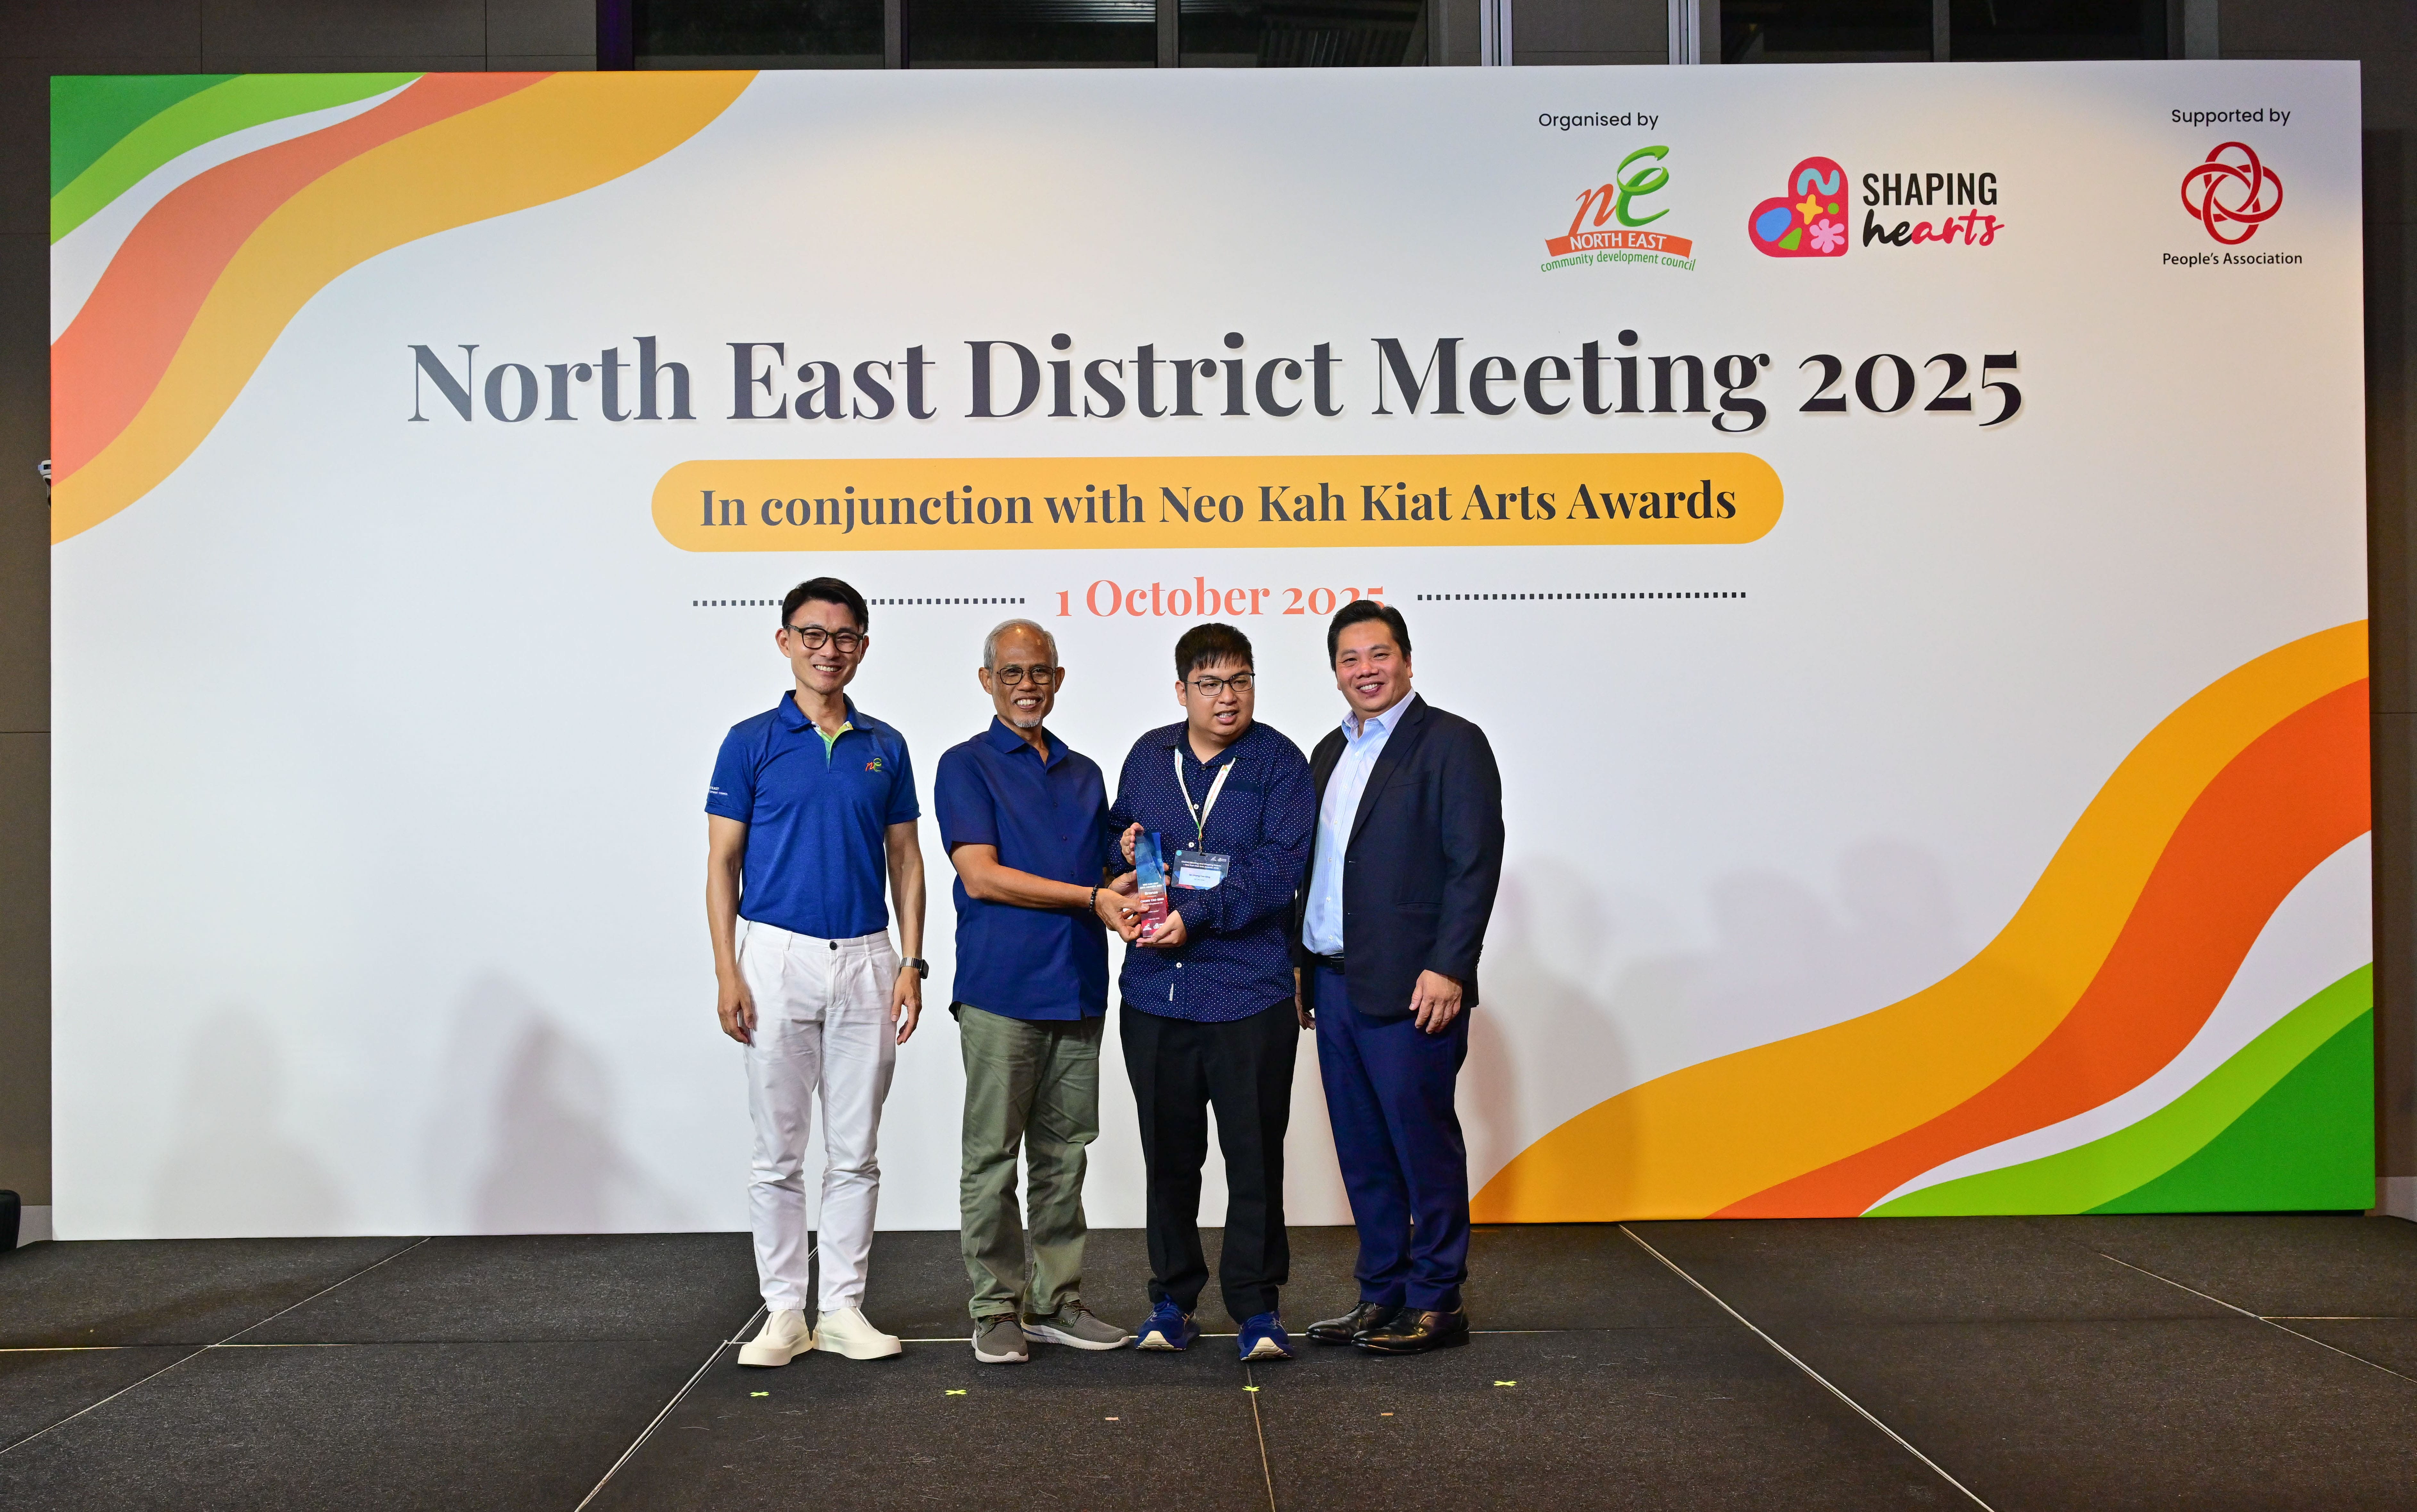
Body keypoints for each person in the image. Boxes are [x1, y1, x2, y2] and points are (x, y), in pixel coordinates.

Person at [706, 577, 927, 1368]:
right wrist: (729, 970)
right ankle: (782, 1311)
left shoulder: (885, 745)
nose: (828, 649)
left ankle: (841, 1309)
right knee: (777, 1150)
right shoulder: (751, 740)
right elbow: (721, 862)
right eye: (813, 634)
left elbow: (906, 859)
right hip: (775, 955)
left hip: (868, 956)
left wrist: (911, 961)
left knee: (855, 1148)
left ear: (862, 646)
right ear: (784, 640)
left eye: (844, 636)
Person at [1295, 599, 1503, 1355]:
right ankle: (1380, 1293)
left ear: (1407, 660)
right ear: (1335, 672)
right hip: (1333, 982)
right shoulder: (1326, 752)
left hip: (1416, 985)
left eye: (1378, 655)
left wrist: (1451, 964)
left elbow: (1473, 863)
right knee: (1362, 1147)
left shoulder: (1451, 743)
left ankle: (1438, 1299)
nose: (1365, 670)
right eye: (1350, 660)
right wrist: (1300, 969)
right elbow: (1316, 871)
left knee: (1422, 1142)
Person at [934, 619, 1143, 1365]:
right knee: (992, 1156)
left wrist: (1126, 871)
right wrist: (1093, 896)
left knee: (1065, 1155)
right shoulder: (964, 765)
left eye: (1041, 671)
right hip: (1000, 990)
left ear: (1059, 678)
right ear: (988, 680)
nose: (1029, 685)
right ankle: (994, 1308)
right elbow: (981, 875)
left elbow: (1099, 881)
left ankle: (1056, 1301)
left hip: (1079, 987)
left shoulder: (1085, 773)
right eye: (1014, 672)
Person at [1107, 622, 1314, 1363]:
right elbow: (1116, 836)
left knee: (1253, 1156)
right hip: (1155, 993)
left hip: (1248, 992)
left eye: (1241, 680)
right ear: (1182, 691)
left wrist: (1194, 917)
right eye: (1211, 684)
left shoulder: (1280, 763)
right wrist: (1122, 850)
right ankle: (1171, 1298)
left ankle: (1257, 1308)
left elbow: (1275, 869)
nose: (1228, 698)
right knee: (1169, 1156)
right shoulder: (1148, 755)